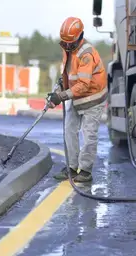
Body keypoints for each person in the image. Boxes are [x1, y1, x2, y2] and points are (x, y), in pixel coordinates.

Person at [46, 16, 108, 183]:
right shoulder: (68, 48)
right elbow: (69, 75)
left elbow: (83, 84)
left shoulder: (86, 54)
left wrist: (61, 96)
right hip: (76, 97)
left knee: (89, 136)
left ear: (79, 36)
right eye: (64, 42)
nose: (66, 45)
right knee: (69, 131)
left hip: (93, 99)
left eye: (69, 43)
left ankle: (85, 171)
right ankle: (71, 168)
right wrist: (59, 88)